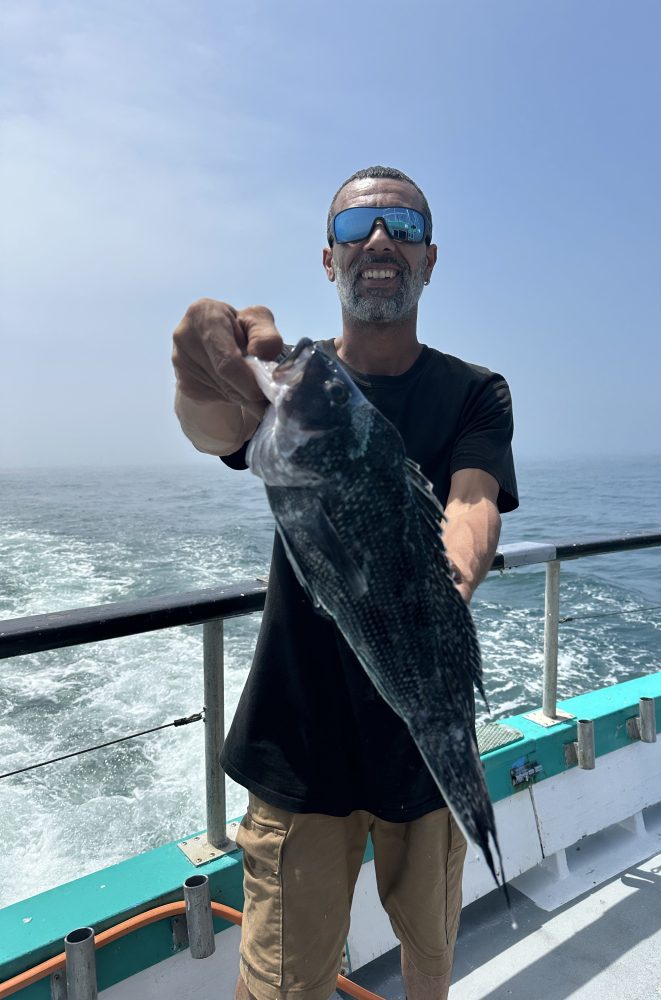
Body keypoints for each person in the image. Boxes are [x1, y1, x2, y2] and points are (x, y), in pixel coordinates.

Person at [171, 166, 519, 1000]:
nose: (381, 240)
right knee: (283, 984)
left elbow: (473, 504)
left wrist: (437, 594)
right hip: (299, 743)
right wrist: (197, 373)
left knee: (430, 960)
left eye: (404, 225)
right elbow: (217, 424)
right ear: (329, 260)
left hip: (423, 755)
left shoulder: (476, 392)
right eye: (358, 227)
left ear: (429, 258)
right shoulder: (298, 388)